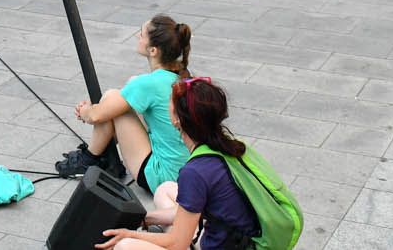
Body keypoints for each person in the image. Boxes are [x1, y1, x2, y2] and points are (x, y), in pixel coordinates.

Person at [96, 76, 261, 250]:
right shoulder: (228, 146)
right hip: (237, 238)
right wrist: (144, 218)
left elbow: (177, 245)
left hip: (224, 244)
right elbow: (192, 210)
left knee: (125, 246)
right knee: (165, 190)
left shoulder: (196, 171)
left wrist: (131, 234)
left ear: (177, 120)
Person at [56, 13, 194, 195]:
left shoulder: (148, 84)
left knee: (113, 98)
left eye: (142, 34)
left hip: (163, 177)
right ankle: (105, 155)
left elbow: (96, 115)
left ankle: (90, 159)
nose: (138, 36)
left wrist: (84, 111)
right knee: (128, 88)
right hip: (185, 172)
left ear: (153, 51)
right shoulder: (180, 76)